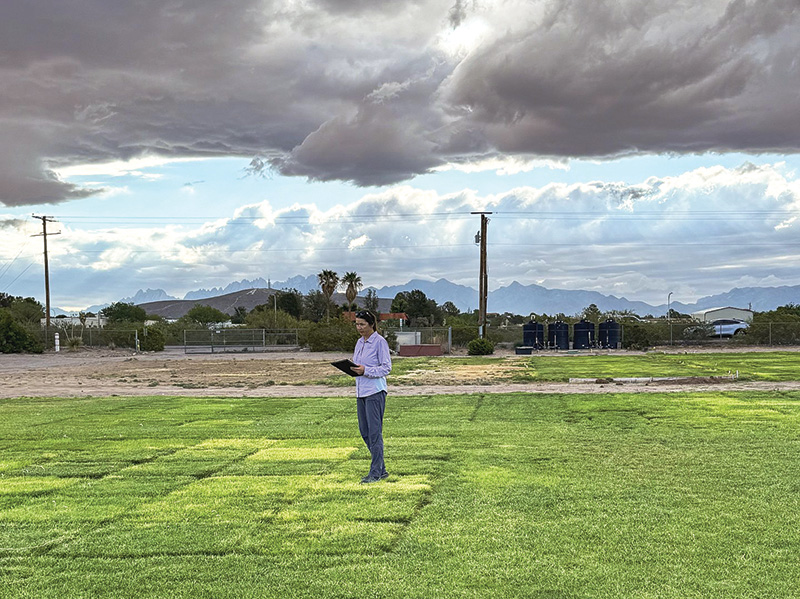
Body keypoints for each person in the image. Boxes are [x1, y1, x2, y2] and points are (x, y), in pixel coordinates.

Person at [350, 310, 392, 484]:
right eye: (357, 324)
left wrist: (366, 371)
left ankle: (375, 473)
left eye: (362, 324)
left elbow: (386, 368)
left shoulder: (380, 342)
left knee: (375, 433)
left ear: (371, 324)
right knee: (365, 432)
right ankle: (381, 469)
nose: (359, 327)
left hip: (375, 391)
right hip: (361, 392)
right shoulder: (359, 343)